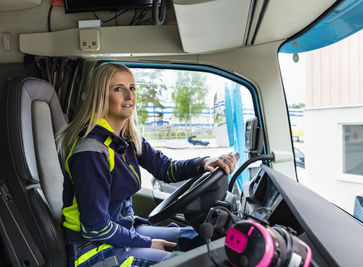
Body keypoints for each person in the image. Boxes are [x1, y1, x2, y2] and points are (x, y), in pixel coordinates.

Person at [57, 63, 238, 267]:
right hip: (92, 250)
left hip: (122, 230)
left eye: (132, 88)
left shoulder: (127, 139)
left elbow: (166, 169)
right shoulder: (91, 150)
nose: (129, 95)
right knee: (196, 263)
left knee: (202, 240)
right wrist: (147, 243)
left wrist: (204, 162)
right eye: (119, 89)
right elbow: (95, 227)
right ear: (100, 96)